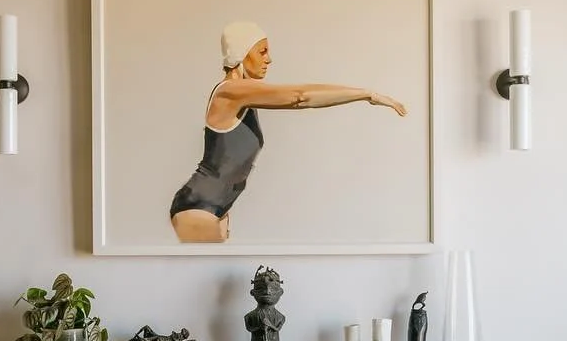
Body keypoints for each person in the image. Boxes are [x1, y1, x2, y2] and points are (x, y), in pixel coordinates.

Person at [169, 20, 407, 244]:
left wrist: (364, 93)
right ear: (241, 53)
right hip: (198, 207)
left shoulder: (244, 95)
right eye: (262, 52)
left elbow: (302, 92)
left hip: (217, 210)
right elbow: (300, 97)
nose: (269, 59)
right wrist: (367, 94)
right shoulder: (231, 91)